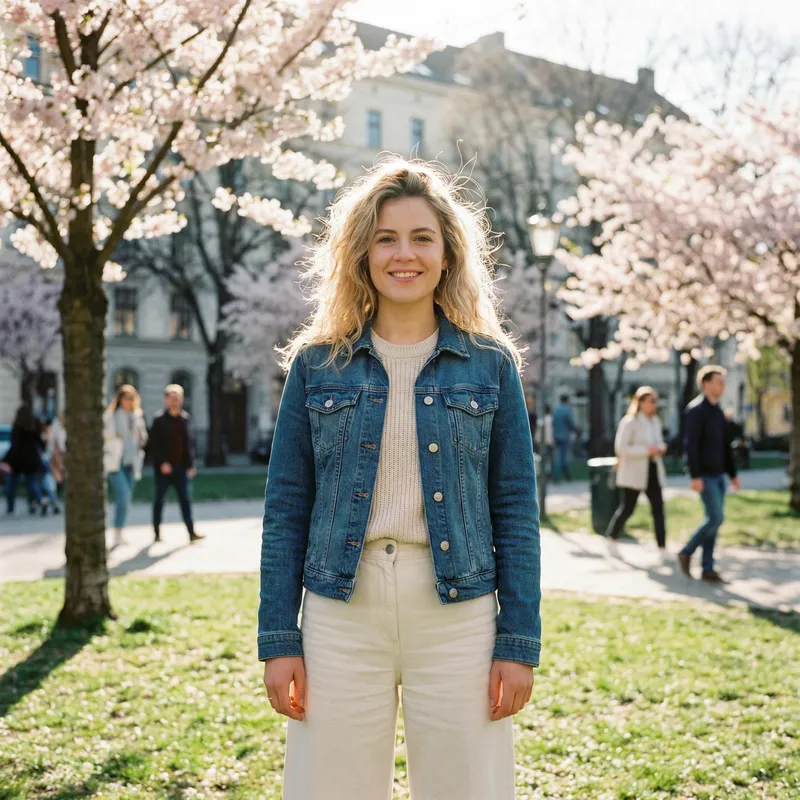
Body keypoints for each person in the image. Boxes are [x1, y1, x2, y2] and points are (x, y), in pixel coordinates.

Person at [258, 159, 541, 799]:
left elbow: (517, 508)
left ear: (447, 254)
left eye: (421, 238)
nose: (403, 254)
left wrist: (518, 641)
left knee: (467, 789)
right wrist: (279, 637)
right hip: (339, 611)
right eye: (385, 238)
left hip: (459, 614)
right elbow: (285, 508)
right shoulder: (316, 366)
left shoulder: (490, 366)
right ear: (361, 253)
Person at [678, 365, 740, 583]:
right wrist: (694, 475)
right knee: (715, 517)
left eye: (723, 382)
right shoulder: (696, 411)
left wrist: (732, 474)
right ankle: (686, 552)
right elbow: (690, 446)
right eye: (718, 381)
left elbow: (726, 446)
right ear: (706, 384)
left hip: (719, 475)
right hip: (704, 475)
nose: (722, 385)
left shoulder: (718, 412)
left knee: (713, 522)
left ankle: (708, 569)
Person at [605, 386, 667, 561]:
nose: (654, 405)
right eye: (651, 401)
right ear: (640, 402)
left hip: (653, 470)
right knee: (627, 508)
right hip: (635, 472)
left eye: (655, 401)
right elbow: (621, 448)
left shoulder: (655, 421)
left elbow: (659, 441)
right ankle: (611, 539)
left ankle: (662, 548)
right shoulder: (629, 422)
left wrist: (661, 448)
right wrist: (646, 450)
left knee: (658, 510)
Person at [147, 384, 203, 544]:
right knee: (159, 500)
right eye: (172, 398)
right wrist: (162, 463)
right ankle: (156, 533)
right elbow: (153, 446)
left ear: (181, 399)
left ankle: (191, 532)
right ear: (166, 400)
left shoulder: (185, 419)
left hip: (181, 468)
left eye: (177, 398)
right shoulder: (159, 420)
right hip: (163, 469)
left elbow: (188, 444)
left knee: (186, 500)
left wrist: (191, 465)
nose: (175, 401)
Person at [103, 385, 148, 546]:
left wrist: (139, 438)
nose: (128, 401)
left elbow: (143, 437)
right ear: (119, 399)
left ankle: (119, 532)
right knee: (123, 495)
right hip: (116, 461)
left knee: (127, 498)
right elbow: (103, 435)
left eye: (131, 398)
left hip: (132, 461)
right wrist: (115, 435)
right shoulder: (111, 415)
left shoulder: (136, 416)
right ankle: (116, 533)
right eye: (125, 398)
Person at [2, 405, 45, 515]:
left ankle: (10, 507)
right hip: (32, 459)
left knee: (11, 484)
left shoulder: (17, 428)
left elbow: (14, 446)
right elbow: (41, 443)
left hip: (18, 461)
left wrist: (8, 460)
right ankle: (36, 502)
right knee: (31, 483)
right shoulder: (33, 427)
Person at [552, 393, 578, 481]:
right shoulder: (567, 409)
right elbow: (570, 422)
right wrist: (575, 430)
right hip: (564, 436)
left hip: (557, 435)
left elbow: (554, 423)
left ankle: (566, 475)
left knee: (559, 455)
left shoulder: (556, 409)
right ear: (566, 400)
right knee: (562, 457)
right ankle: (558, 474)